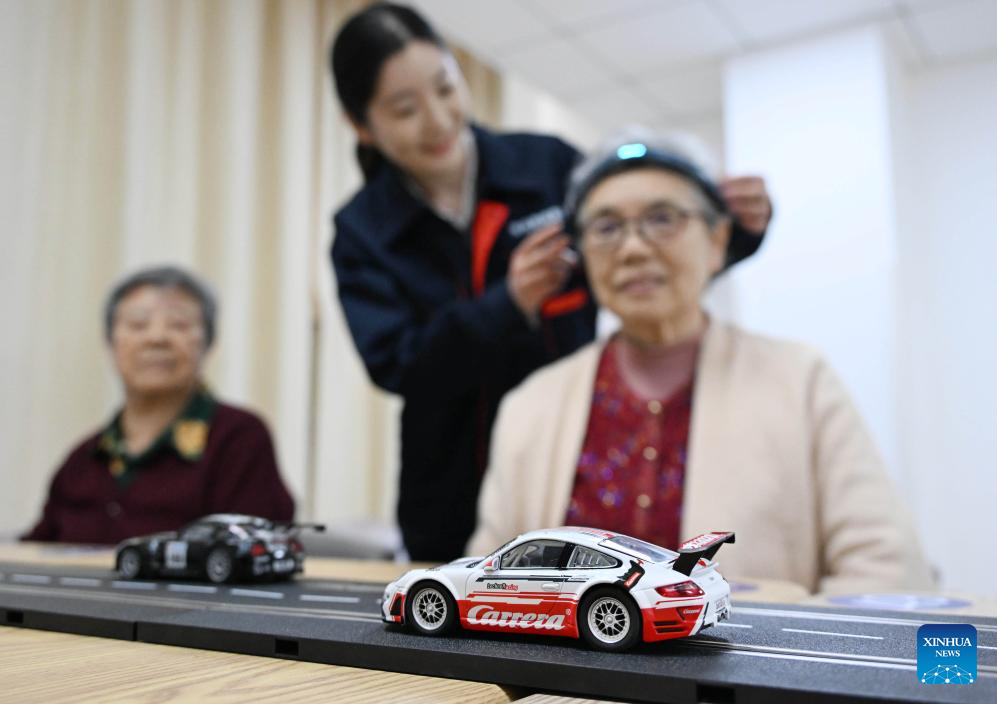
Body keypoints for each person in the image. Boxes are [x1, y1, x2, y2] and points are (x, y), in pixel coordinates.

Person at [329, 3, 773, 561]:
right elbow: (398, 366)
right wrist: (508, 303)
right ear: (361, 126)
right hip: (448, 494)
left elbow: (639, 265)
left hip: (573, 465)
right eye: (405, 109)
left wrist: (737, 228)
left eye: (445, 87)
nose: (439, 119)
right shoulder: (363, 232)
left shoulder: (546, 167)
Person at [468, 132, 933, 594]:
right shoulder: (532, 405)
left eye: (662, 218)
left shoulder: (801, 382)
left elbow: (885, 571)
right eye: (606, 228)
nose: (632, 249)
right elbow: (486, 580)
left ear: (717, 239)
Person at [22, 266, 295, 544]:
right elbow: (34, 552)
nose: (157, 338)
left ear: (208, 342)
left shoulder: (239, 439)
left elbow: (251, 551)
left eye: (179, 325)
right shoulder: (84, 458)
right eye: (138, 324)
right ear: (111, 342)